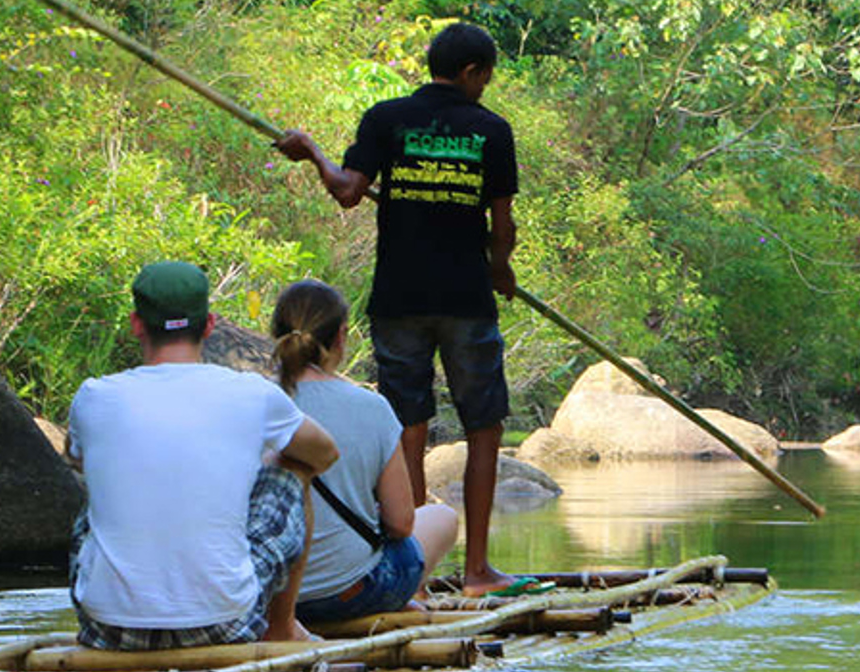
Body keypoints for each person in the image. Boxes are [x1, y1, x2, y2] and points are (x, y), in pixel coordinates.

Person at [275, 22, 531, 597]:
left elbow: (346, 190)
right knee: (484, 428)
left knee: (407, 429)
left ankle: (416, 575)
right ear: (470, 73)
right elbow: (503, 224)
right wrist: (500, 268)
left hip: (399, 299)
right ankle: (478, 571)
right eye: (484, 77)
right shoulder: (491, 130)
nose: (484, 88)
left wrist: (310, 149)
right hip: (466, 300)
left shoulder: (386, 118)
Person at [65, 261, 339, 649]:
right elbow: (324, 454)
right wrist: (255, 465)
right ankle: (282, 627)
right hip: (222, 624)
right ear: (209, 325)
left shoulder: (92, 396)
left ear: (136, 324)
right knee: (291, 472)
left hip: (109, 631)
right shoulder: (252, 394)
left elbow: (76, 457)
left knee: (96, 499)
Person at [268, 279, 461, 622]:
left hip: (263, 598)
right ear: (341, 336)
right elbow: (401, 524)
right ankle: (398, 598)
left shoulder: (251, 403)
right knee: (444, 518)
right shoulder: (371, 407)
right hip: (349, 594)